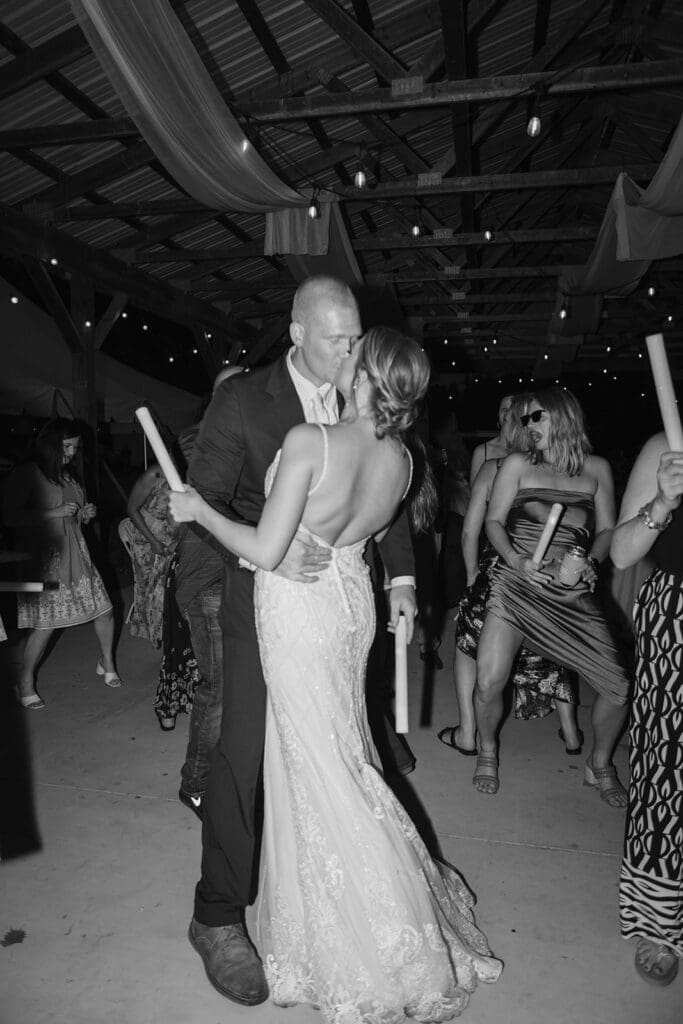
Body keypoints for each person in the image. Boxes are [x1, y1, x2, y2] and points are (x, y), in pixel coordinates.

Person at [170, 325, 502, 1021]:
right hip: (349, 607)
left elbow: (266, 547)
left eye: (354, 349)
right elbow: (371, 532)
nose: (342, 353)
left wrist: (197, 509)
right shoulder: (404, 461)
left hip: (298, 610)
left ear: (364, 374)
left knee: (319, 767)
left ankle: (377, 930)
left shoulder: (310, 442)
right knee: (339, 753)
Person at [181, 276, 417, 1007]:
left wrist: (402, 582)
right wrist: (262, 557)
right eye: (335, 338)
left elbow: (391, 485)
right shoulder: (244, 401)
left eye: (355, 336)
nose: (350, 349)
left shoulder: (361, 394)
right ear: (296, 333)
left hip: (340, 605)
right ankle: (217, 918)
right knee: (242, 752)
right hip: (259, 600)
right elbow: (203, 504)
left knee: (334, 752)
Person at [473, 387, 630, 799]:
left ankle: (599, 763)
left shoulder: (597, 469)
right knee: (489, 681)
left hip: (570, 590)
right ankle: (487, 750)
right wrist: (516, 560)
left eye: (535, 417)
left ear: (562, 416)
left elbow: (608, 530)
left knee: (618, 687)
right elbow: (492, 521)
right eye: (524, 420)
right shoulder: (517, 464)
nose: (528, 427)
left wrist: (590, 563)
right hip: (518, 582)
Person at [440, 395, 580, 756]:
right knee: (554, 648)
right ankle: (571, 730)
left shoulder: (494, 466)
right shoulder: (565, 469)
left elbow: (473, 529)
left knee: (468, 644)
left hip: (501, 570)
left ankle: (469, 734)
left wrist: (471, 574)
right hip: (552, 572)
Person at [611, 433, 683, 987]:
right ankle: (661, 922)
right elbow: (621, 552)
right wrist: (662, 503)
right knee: (669, 772)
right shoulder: (668, 442)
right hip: (678, 619)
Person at [2, 418, 119, 707]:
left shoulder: (68, 476)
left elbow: (73, 514)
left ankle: (107, 662)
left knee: (104, 610)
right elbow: (10, 517)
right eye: (67, 446)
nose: (71, 453)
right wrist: (52, 513)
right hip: (47, 560)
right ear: (51, 443)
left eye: (74, 448)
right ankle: (25, 682)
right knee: (46, 625)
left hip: (77, 556)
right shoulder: (29, 472)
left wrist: (85, 513)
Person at [173, 365, 244, 816]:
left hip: (241, 577)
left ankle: (227, 770)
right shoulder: (200, 442)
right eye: (233, 389)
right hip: (210, 581)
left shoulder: (244, 437)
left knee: (241, 686)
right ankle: (195, 783)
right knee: (216, 686)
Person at [126, 461, 176, 647]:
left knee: (170, 589)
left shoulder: (190, 475)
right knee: (151, 592)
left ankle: (168, 635)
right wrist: (154, 542)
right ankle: (156, 634)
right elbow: (131, 509)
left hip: (172, 539)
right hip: (147, 538)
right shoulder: (154, 475)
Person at [469, 393, 513, 484]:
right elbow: (474, 491)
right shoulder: (482, 451)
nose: (507, 414)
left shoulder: (529, 448)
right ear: (498, 415)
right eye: (504, 409)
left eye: (512, 409)